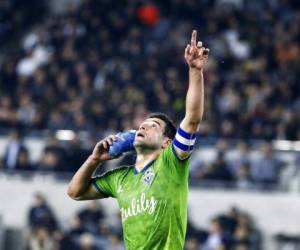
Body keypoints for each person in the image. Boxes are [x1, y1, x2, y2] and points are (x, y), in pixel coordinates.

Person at [67, 30, 209, 250]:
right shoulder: (119, 179)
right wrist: (94, 160)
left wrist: (194, 70)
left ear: (166, 143)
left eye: (154, 126)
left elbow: (191, 119)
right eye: (143, 124)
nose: (143, 126)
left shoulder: (172, 163)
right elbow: (74, 192)